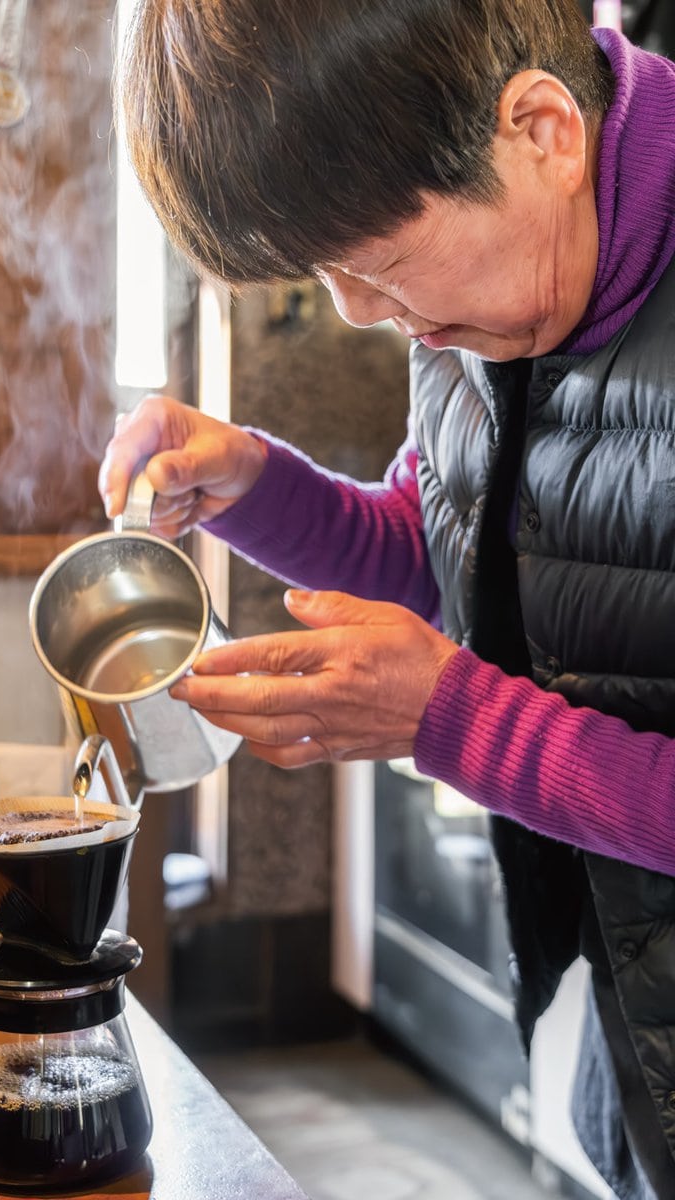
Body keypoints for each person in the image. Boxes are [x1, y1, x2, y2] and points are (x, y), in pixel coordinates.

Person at [100, 2, 675, 1195]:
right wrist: (248, 484)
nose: (361, 310)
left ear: (543, 130)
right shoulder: (490, 274)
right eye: (329, 270)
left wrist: (461, 723)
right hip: (639, 1000)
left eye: (378, 262)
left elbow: (475, 691)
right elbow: (449, 551)